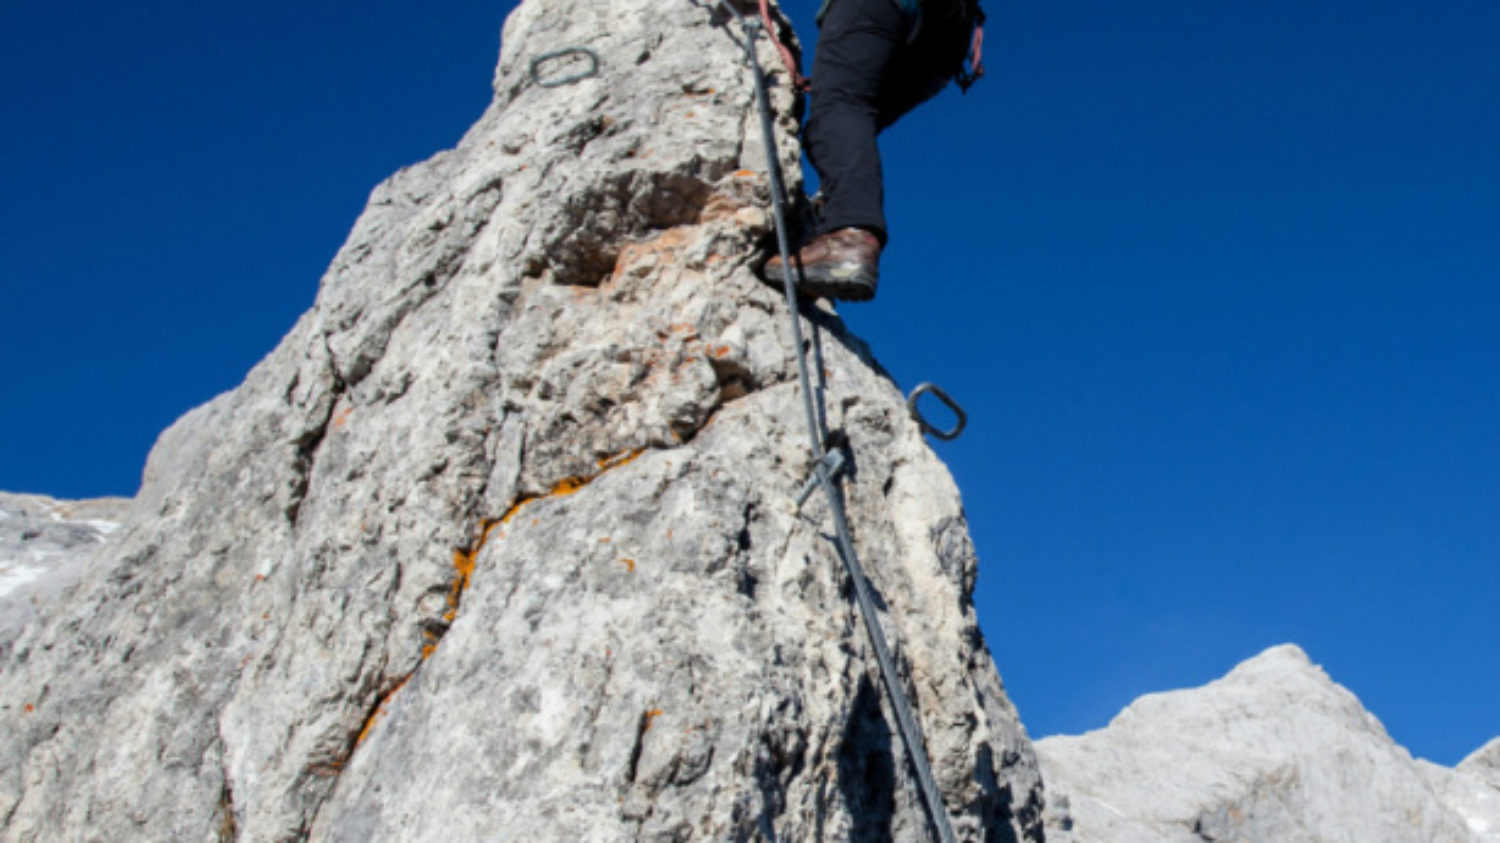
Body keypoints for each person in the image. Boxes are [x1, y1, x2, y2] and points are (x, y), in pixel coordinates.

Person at [762, 0, 984, 302]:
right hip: (950, 31)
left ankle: (848, 238)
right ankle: (833, 220)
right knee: (841, 125)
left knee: (839, 109)